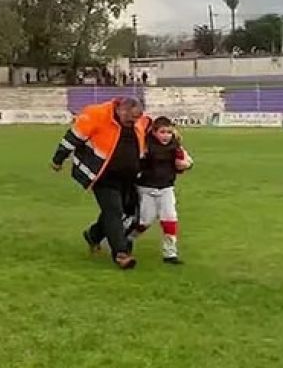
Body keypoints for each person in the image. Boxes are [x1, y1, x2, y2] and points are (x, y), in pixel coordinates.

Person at [51, 97, 151, 269]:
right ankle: (121, 254)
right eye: (130, 119)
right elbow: (72, 138)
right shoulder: (96, 115)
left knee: (126, 212)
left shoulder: (139, 120)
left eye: (137, 118)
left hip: (129, 177)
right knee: (114, 211)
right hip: (103, 175)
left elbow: (154, 134)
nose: (134, 122)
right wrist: (58, 159)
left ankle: (93, 235)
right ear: (120, 110)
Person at [129, 116, 193, 264]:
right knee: (145, 221)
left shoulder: (176, 146)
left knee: (170, 218)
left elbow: (187, 161)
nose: (166, 136)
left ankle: (170, 253)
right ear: (154, 132)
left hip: (166, 188)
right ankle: (127, 239)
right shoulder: (145, 145)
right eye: (162, 132)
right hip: (146, 189)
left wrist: (185, 165)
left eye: (169, 132)